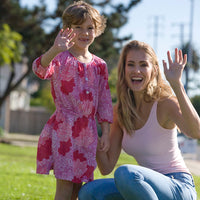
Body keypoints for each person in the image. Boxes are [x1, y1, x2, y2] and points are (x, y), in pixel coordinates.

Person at [78, 40, 200, 200]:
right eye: (131, 64)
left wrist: (177, 85)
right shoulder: (120, 112)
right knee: (89, 192)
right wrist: (90, 130)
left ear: (154, 70)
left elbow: (196, 132)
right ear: (124, 69)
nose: (137, 70)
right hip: (141, 187)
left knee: (125, 173)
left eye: (143, 65)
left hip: (178, 186)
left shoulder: (164, 103)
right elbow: (106, 166)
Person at [32, 1, 113, 200]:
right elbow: (40, 70)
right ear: (68, 29)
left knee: (79, 188)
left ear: (97, 30)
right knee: (65, 186)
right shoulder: (60, 57)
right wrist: (54, 50)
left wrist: (106, 133)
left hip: (88, 132)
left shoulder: (99, 65)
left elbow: (104, 100)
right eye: (78, 27)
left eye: (90, 28)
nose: (85, 33)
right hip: (64, 129)